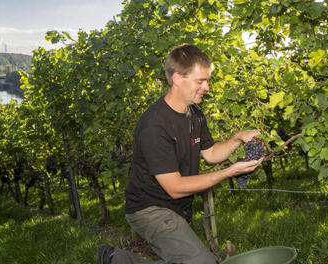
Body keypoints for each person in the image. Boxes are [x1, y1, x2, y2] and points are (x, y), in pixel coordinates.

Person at [98, 44, 264, 264]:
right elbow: (175, 188)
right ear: (177, 79)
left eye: (207, 80)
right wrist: (229, 173)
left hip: (177, 208)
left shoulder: (195, 114)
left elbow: (211, 153)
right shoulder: (154, 125)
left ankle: (116, 259)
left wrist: (238, 138)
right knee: (201, 262)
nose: (207, 87)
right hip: (148, 208)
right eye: (200, 81)